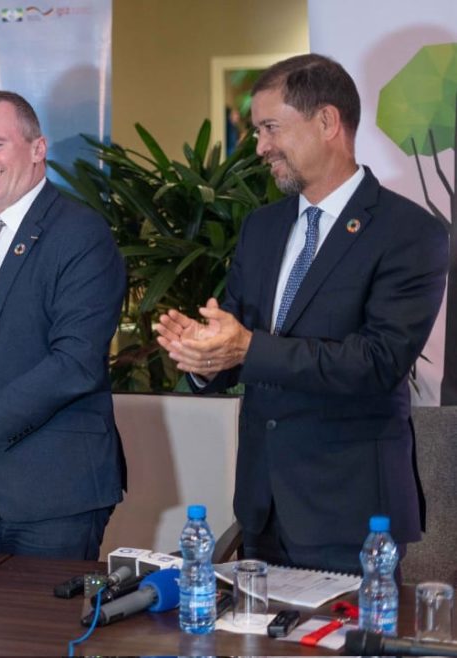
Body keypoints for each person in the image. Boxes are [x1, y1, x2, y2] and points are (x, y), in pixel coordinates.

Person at [156, 54, 447, 574]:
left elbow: (378, 362)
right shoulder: (262, 227)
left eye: (270, 128)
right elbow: (239, 339)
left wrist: (246, 347)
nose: (260, 147)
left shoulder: (409, 232)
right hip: (262, 508)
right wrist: (204, 354)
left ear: (327, 121)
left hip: (353, 513)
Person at [0, 91, 127, 559]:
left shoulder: (80, 233)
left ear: (38, 149)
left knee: (39, 612)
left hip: (52, 487)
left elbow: (76, 361)